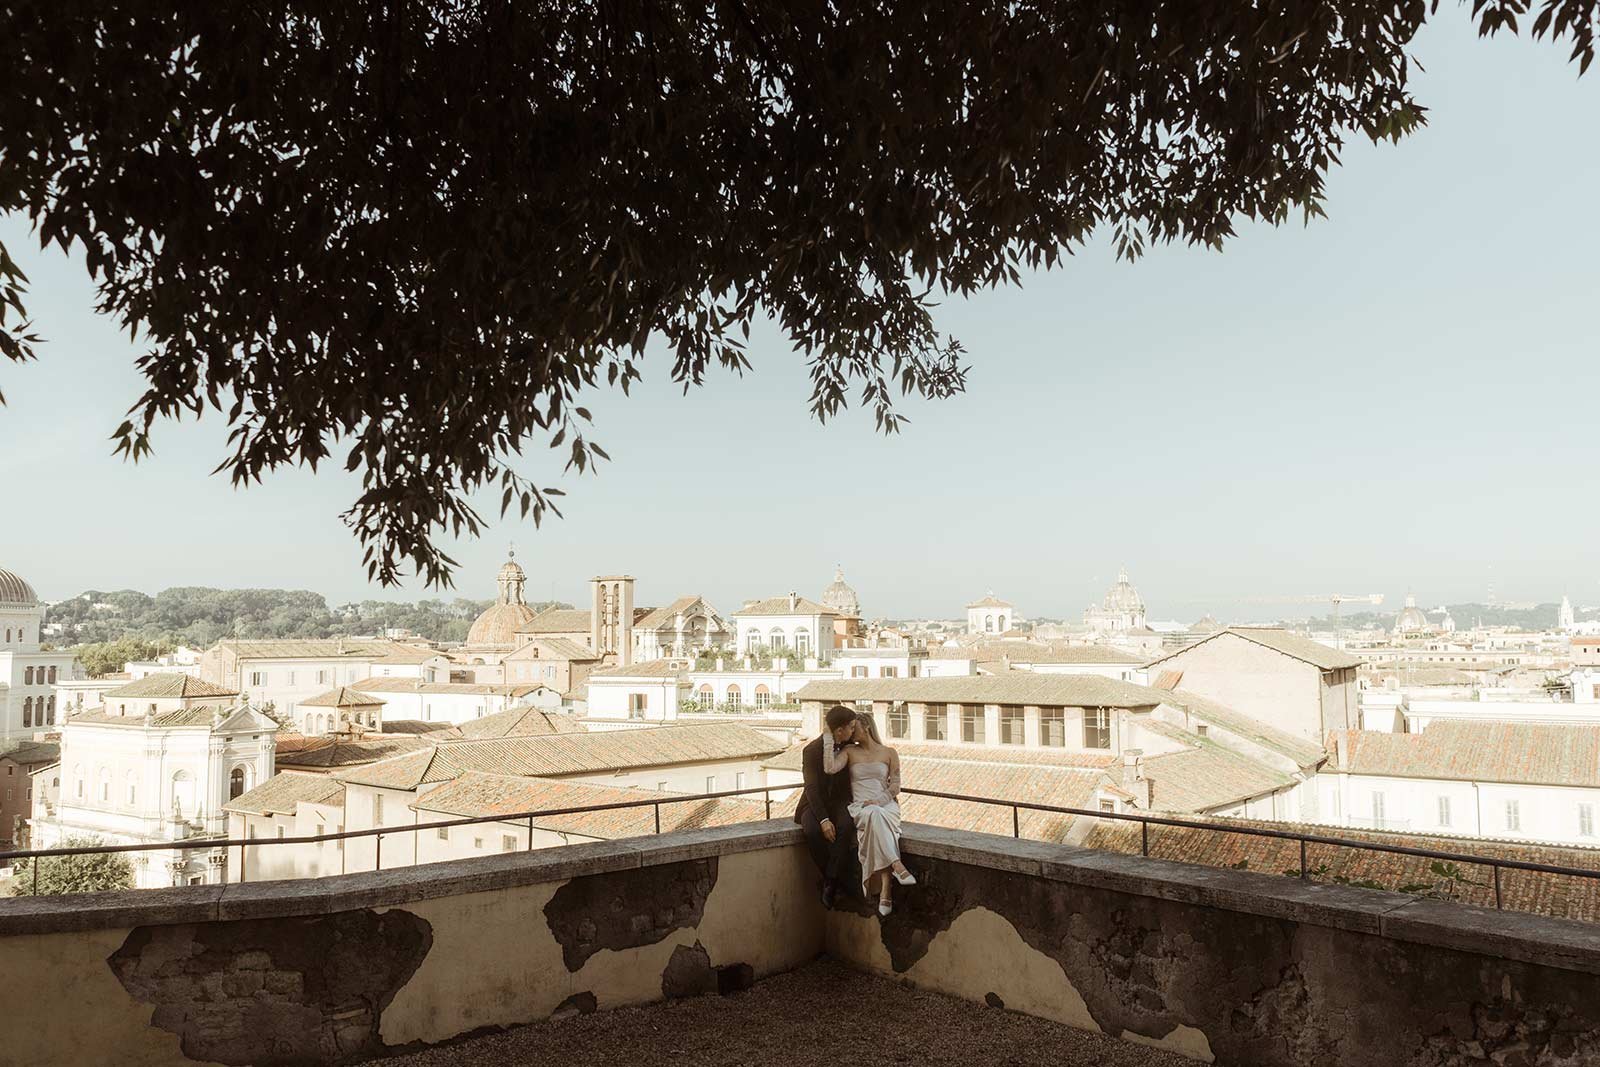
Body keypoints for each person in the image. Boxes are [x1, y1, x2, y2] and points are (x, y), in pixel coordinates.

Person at [822, 712, 916, 917]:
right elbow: (829, 768)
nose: (849, 731)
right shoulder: (848, 751)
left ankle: (886, 887)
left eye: (853, 727)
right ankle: (895, 868)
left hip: (886, 805)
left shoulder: (890, 752)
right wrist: (828, 736)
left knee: (877, 815)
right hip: (861, 807)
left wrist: (879, 801)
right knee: (873, 814)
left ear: (865, 727)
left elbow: (896, 787)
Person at [795, 704, 862, 908]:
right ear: (839, 730)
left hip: (840, 802)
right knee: (813, 831)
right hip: (814, 804)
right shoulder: (812, 750)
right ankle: (835, 881)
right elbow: (812, 788)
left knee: (845, 826)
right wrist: (823, 820)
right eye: (850, 727)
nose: (853, 730)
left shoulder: (850, 745)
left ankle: (831, 882)